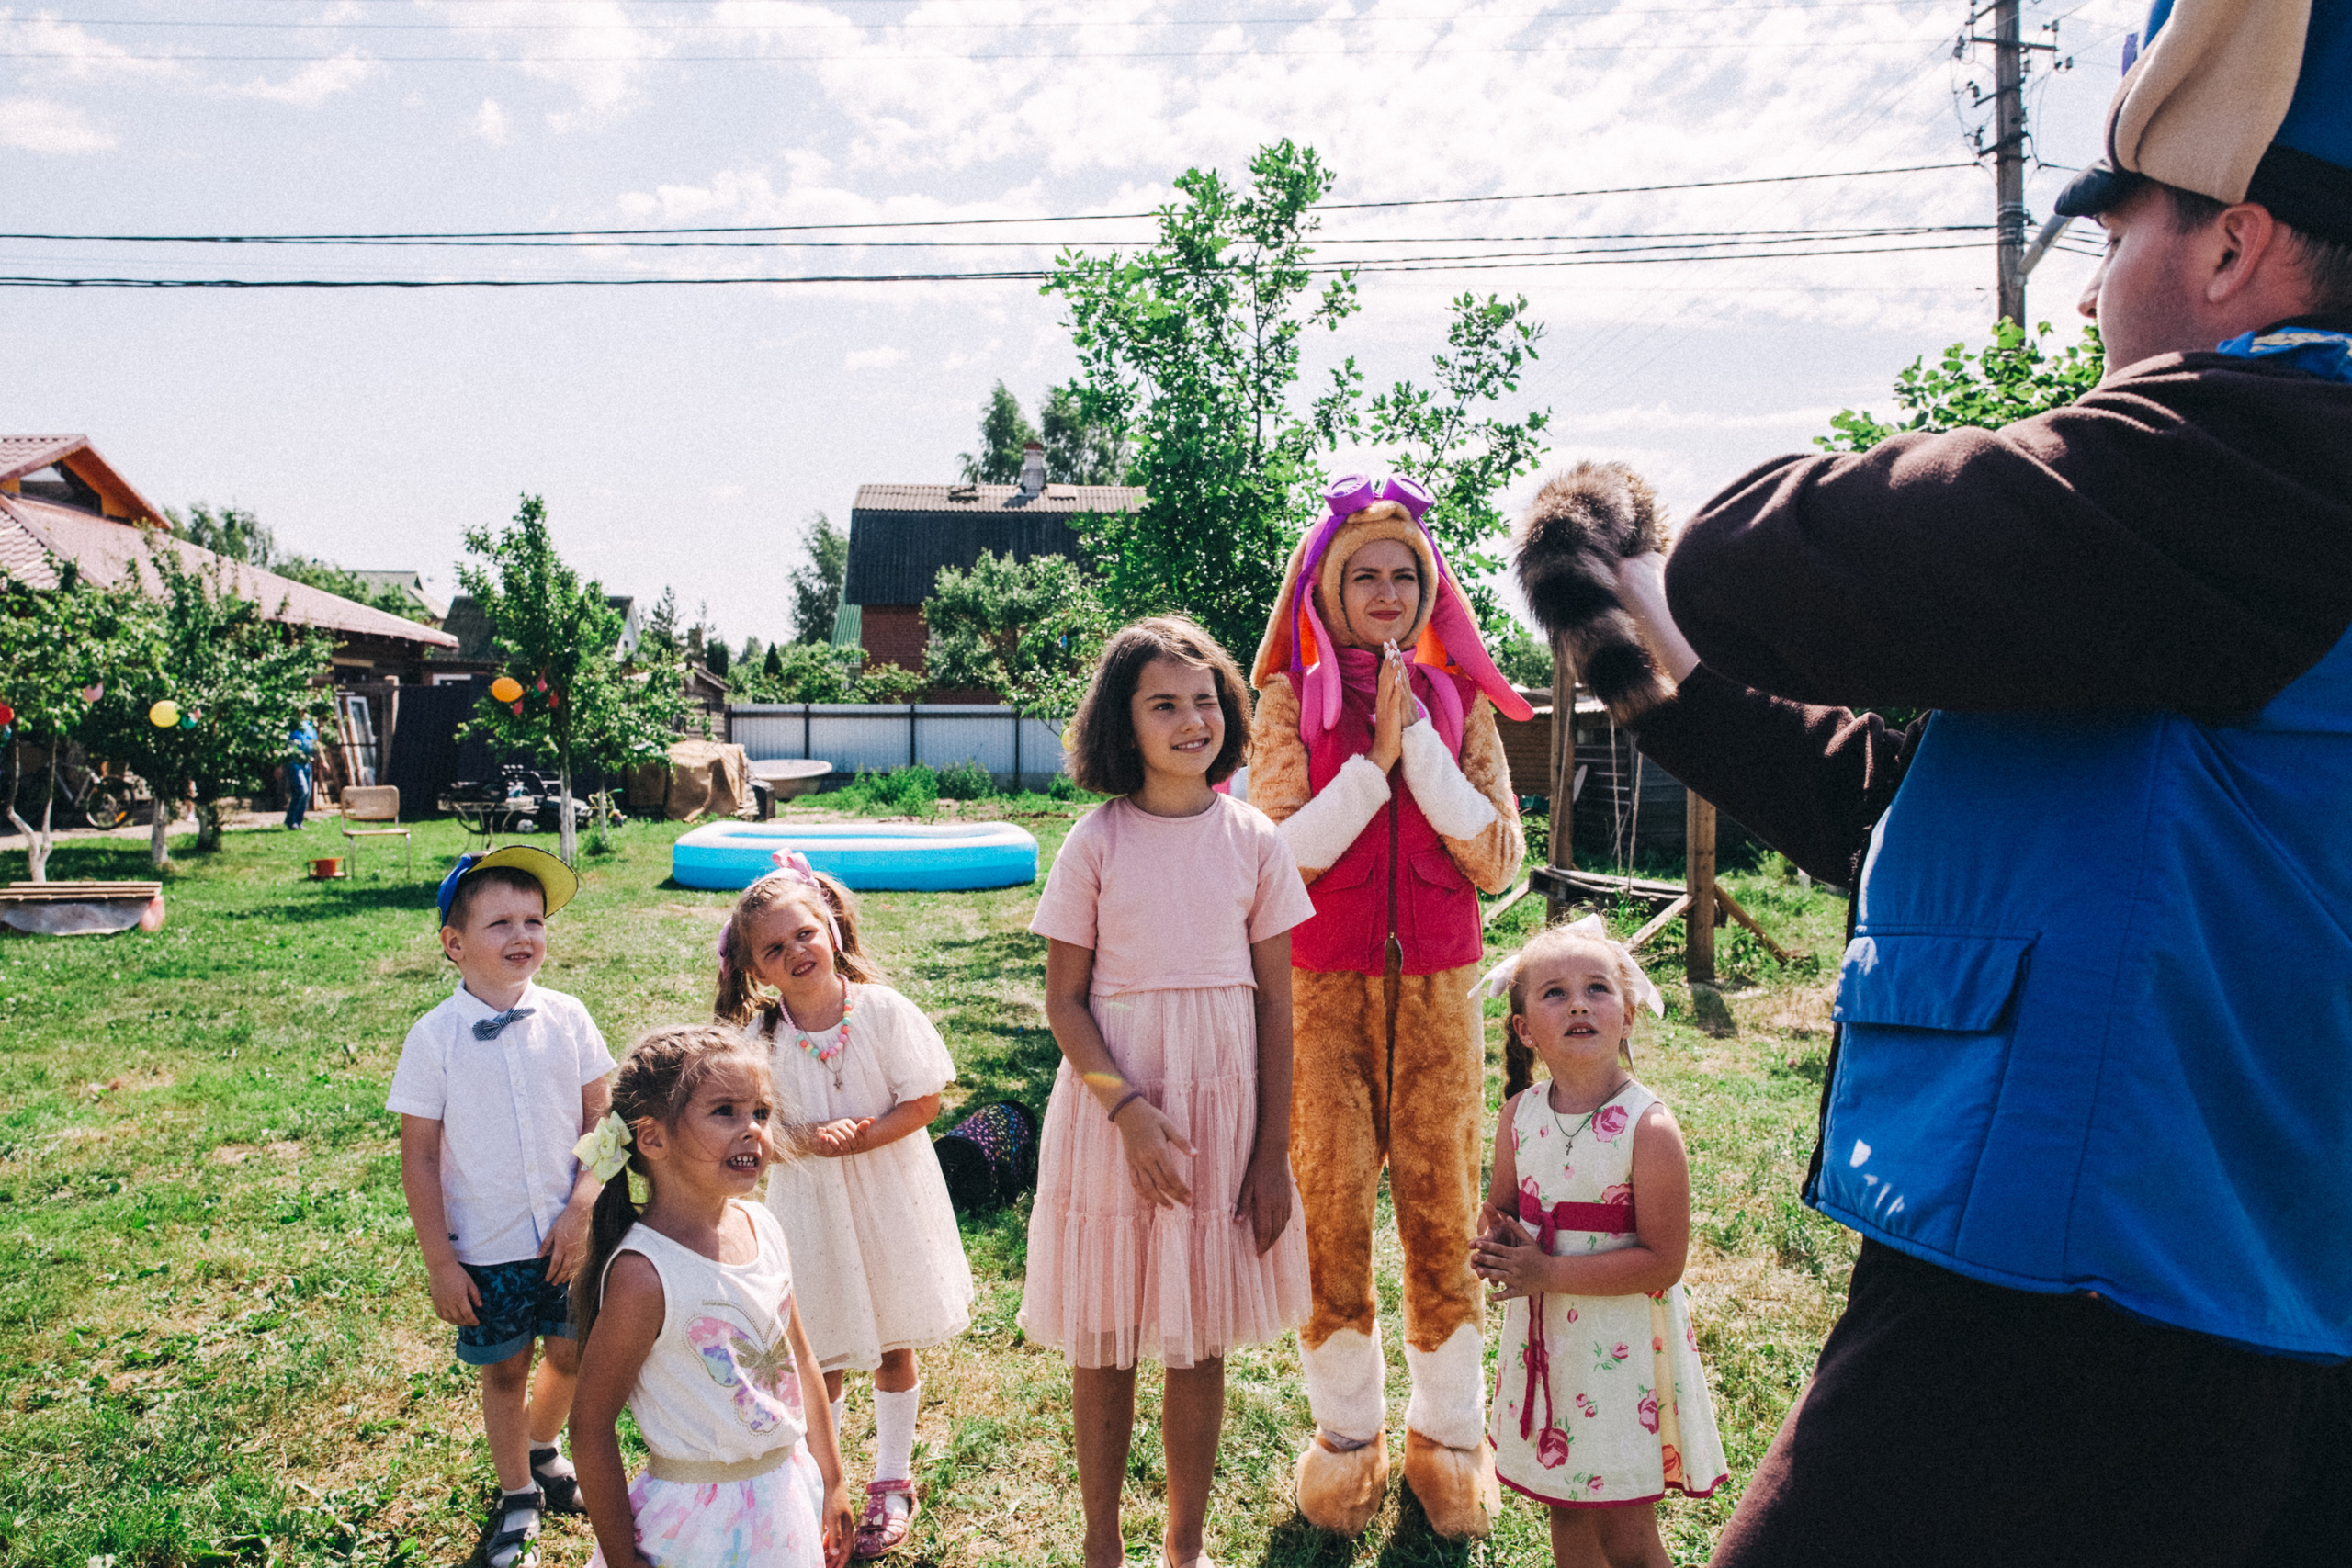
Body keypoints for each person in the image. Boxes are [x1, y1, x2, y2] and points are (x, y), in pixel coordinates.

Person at [1517, 2, 2352, 1560]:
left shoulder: (2278, 455)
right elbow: (1916, 819)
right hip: (2201, 1287)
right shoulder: (2205, 565)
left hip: (2091, 1310)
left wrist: (1680, 570)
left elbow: (1765, 555)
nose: (2092, 292)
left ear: (2235, 245)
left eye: (2118, 235)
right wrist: (1653, 657)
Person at [1245, 475, 1532, 1538]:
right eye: (1361, 573)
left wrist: (1421, 748)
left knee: (1442, 1212)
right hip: (1320, 992)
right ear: (1325, 587)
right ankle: (1347, 1437)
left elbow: (1497, 860)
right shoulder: (1286, 703)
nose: (1383, 590)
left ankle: (1449, 1438)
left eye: (1402, 573)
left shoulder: (1461, 703)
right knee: (1328, 1214)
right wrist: (1370, 764)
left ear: (1428, 587)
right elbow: (1275, 861)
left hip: (1442, 993)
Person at [1022, 615, 1316, 1568]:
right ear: (1124, 722)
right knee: (1104, 1335)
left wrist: (1270, 1154)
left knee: (1199, 1339)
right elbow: (1064, 1003)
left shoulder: (1255, 840)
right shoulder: (1095, 842)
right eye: (1163, 705)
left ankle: (1183, 1549)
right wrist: (1126, 1109)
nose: (1191, 721)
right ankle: (1101, 1544)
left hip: (1222, 1119)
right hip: (1117, 1114)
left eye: (1204, 701)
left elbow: (1277, 1006)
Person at [714, 857, 972, 1559]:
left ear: (829, 927)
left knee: (891, 1338)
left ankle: (892, 1475)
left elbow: (924, 1100)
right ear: (756, 969)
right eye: (774, 948)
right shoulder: (761, 1039)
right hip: (812, 1207)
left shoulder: (882, 1010)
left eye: (804, 932)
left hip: (889, 1197)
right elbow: (748, 1129)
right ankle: (814, 1484)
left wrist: (863, 1134)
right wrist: (801, 1139)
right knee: (818, 1345)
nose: (796, 951)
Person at [1471, 917, 1726, 1568]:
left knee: (1624, 1530)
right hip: (1550, 1345)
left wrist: (1546, 1271)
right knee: (1567, 1508)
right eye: (1555, 993)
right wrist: (1495, 1243)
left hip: (1620, 1357)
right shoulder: (1519, 1115)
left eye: (1597, 988)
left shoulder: (1649, 1127)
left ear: (1628, 1014)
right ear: (1525, 1028)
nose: (1579, 1004)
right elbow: (1502, 1207)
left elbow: (1663, 1262)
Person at [387, 847, 611, 1568]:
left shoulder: (570, 1017)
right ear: (454, 944)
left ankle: (542, 1447)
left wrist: (582, 1207)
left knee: (571, 1353)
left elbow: (604, 1120)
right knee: (506, 1370)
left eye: (534, 920)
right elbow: (420, 1156)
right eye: (501, 923)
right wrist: (440, 1261)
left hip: (568, 1235)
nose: (523, 935)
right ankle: (518, 1494)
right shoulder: (434, 1037)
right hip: (486, 1245)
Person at [568, 1025, 854, 1568]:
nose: (753, 1130)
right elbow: (590, 1426)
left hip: (784, 1498)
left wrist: (833, 1479)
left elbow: (800, 1359)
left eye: (761, 1113)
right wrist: (622, 1559)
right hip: (697, 1525)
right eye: (725, 1112)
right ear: (652, 1139)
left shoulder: (762, 1226)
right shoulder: (644, 1274)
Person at [282, 716, 317, 829]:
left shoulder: (309, 725)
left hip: (306, 761)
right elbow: (282, 744)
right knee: (301, 790)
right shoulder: (290, 723)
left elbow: (315, 743)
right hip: (293, 761)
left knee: (307, 794)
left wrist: (323, 760)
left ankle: (298, 821)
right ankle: (291, 820)